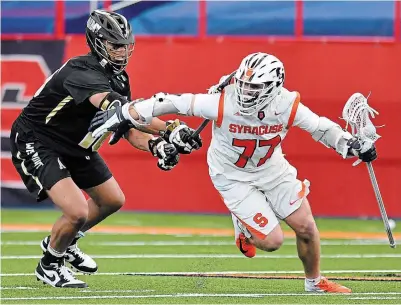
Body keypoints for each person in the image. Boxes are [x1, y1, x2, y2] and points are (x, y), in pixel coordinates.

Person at [89, 52, 377, 293]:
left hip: (272, 169)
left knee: (306, 227)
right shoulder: (222, 101)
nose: (247, 91)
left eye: (255, 88)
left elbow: (321, 128)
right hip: (231, 174)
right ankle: (242, 226)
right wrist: (130, 111)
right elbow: (173, 101)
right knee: (272, 242)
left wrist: (350, 144)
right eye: (244, 84)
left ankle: (314, 282)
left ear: (274, 87)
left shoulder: (287, 105)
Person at [9, 9, 201, 288]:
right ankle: (49, 265)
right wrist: (170, 129)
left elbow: (126, 127)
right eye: (115, 45)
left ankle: (65, 240)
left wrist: (157, 146)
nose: (122, 52)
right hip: (39, 139)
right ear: (98, 42)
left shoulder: (120, 78)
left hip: (75, 143)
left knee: (112, 200)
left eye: (125, 45)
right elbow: (118, 110)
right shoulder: (81, 71)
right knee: (77, 212)